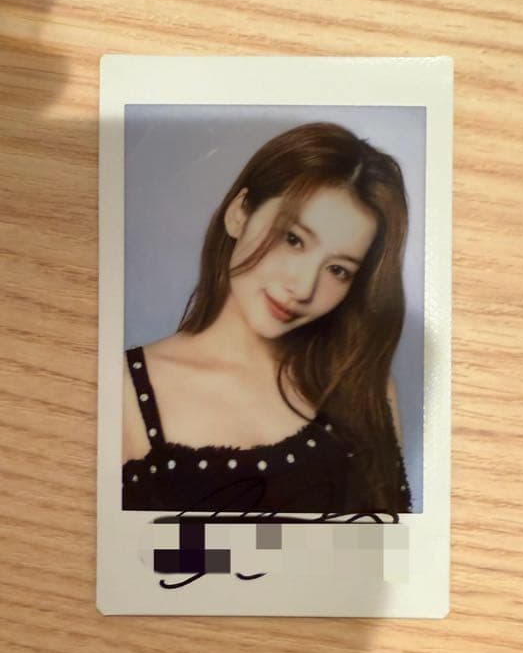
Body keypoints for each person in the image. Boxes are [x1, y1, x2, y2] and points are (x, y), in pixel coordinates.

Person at [122, 122, 412, 515]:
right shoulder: (124, 390)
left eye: (338, 270)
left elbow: (394, 550)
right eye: (293, 239)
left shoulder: (364, 388)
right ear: (239, 213)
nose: (304, 287)